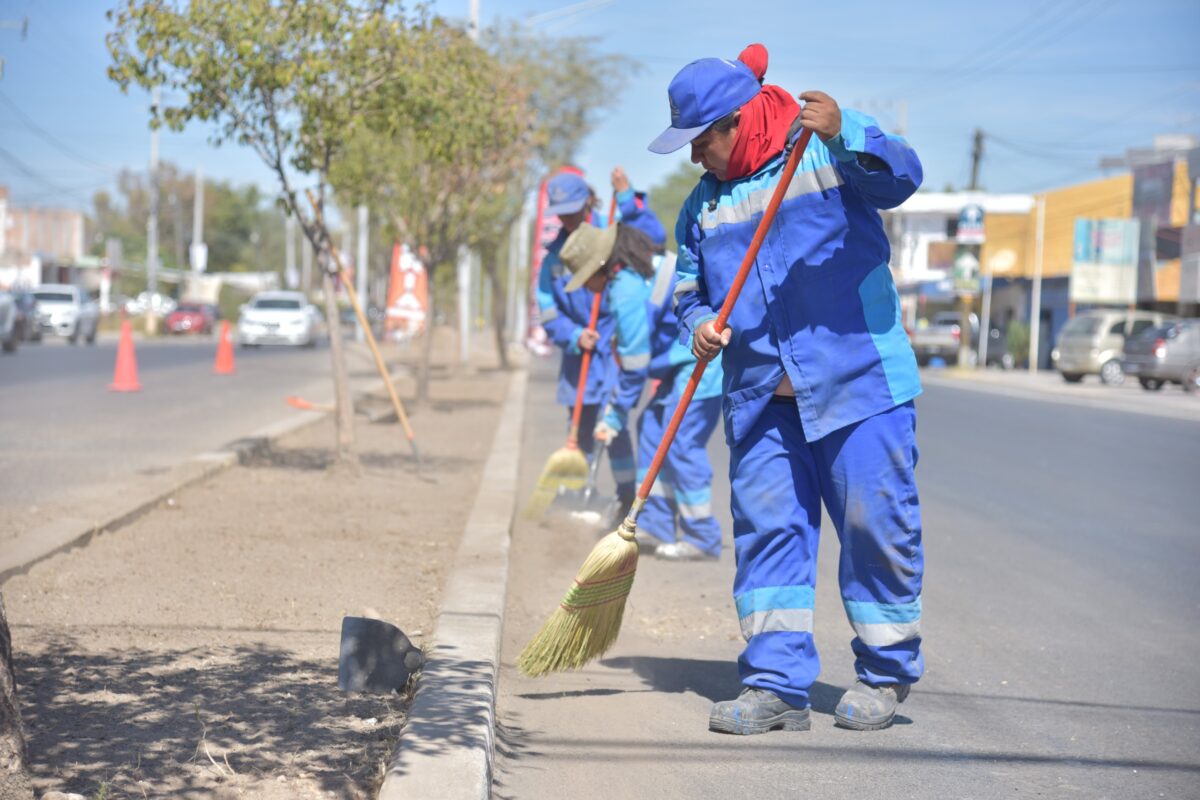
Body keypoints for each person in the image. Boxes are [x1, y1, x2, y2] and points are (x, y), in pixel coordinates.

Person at [650, 43, 926, 733]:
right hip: (761, 398)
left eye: (700, 141)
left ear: (737, 120)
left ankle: (885, 675)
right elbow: (688, 290)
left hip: (859, 385)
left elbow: (902, 177)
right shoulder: (701, 209)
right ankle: (776, 685)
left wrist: (848, 131)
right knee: (770, 535)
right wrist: (700, 325)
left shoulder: (823, 151)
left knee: (875, 527)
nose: (693, 158)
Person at [559, 221, 724, 560]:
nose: (588, 290)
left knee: (680, 441)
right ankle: (657, 523)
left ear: (599, 267)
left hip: (703, 363)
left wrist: (615, 413)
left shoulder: (625, 287)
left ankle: (702, 536)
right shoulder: (636, 270)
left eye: (585, 279)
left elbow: (634, 364)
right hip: (683, 362)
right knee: (650, 428)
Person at [536, 171, 636, 518]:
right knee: (578, 429)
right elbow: (547, 310)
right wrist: (574, 334)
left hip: (612, 352)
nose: (566, 217)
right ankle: (577, 493)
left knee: (614, 427)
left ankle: (626, 496)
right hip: (580, 356)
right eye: (560, 211)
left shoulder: (608, 235)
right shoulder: (553, 259)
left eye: (572, 209)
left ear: (587, 203)